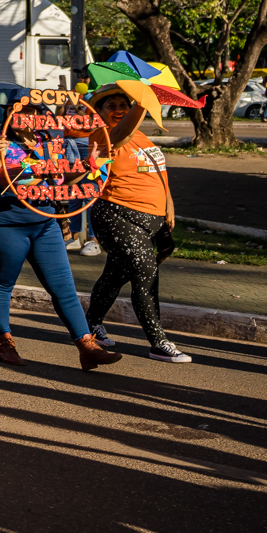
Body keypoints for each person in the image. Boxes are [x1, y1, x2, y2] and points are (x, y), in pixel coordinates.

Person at [0, 102, 121, 371]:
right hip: (6, 221)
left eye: (32, 112)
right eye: (18, 112)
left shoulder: (49, 142)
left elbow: (63, 180)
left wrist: (89, 166)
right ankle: (4, 344)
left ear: (40, 117)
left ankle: (86, 346)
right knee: (2, 284)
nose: (25, 118)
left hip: (45, 222)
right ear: (8, 115)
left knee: (64, 287)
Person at [85, 83, 190, 363]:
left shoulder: (142, 137)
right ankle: (158, 342)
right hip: (117, 215)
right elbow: (119, 136)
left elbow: (157, 172)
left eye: (124, 105)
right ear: (100, 112)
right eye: (112, 106)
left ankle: (91, 325)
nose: (119, 110)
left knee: (114, 276)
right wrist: (142, 103)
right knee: (146, 274)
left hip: (152, 218)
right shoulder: (102, 136)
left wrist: (169, 204)